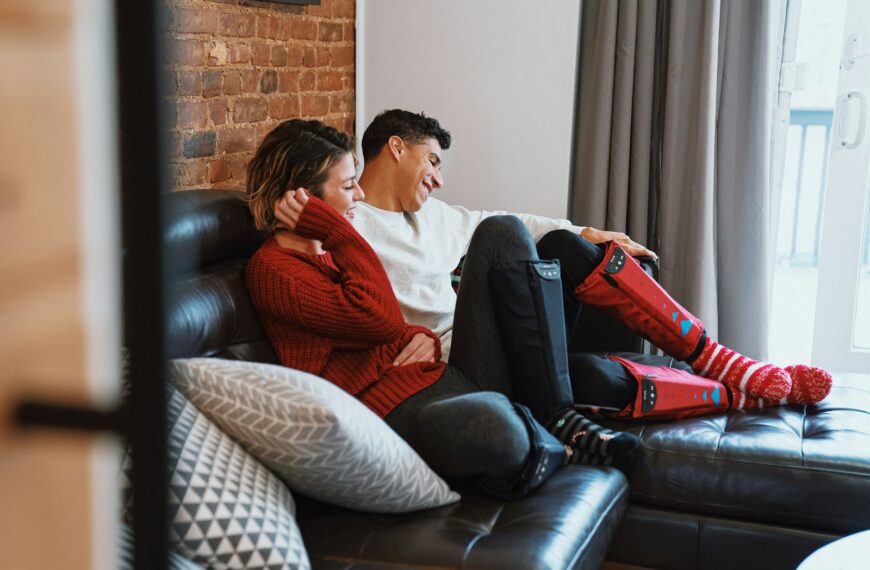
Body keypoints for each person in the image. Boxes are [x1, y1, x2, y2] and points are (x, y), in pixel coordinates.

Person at [273, 109, 831, 420]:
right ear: (395, 147)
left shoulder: (440, 216)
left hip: (503, 349)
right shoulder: (346, 228)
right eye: (432, 160)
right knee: (597, 378)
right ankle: (739, 388)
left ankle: (724, 367)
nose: (438, 177)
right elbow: (359, 317)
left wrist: (589, 233)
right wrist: (414, 339)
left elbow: (513, 221)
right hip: (458, 362)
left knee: (557, 244)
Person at [243, 119, 638, 502]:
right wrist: (337, 230)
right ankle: (545, 439)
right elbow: (376, 317)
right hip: (389, 414)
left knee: (503, 232)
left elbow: (391, 325)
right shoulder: (276, 272)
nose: (359, 195)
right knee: (495, 427)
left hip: (443, 376)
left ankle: (555, 418)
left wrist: (422, 336)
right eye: (348, 186)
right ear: (304, 198)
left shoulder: (331, 251)